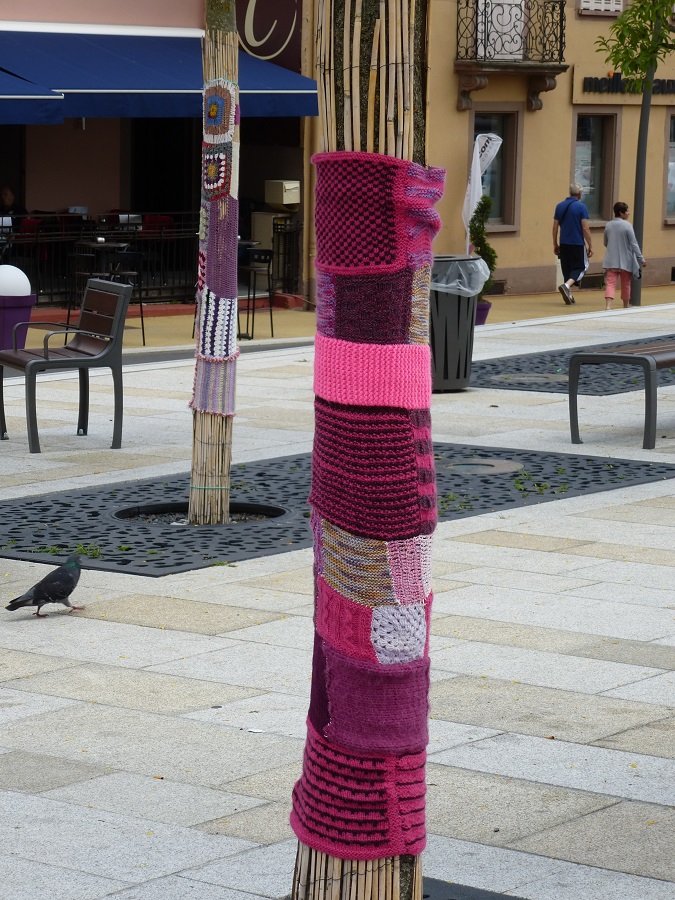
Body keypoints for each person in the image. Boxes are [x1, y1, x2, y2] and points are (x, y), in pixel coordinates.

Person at [552, 183, 593, 305]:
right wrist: (590, 245)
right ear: (579, 194)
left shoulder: (560, 206)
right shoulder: (581, 207)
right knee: (581, 267)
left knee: (567, 269)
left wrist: (555, 243)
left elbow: (555, 227)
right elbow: (585, 228)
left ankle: (568, 294)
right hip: (577, 243)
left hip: (564, 243)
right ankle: (566, 286)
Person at [602, 201, 646, 310]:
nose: (628, 213)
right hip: (626, 261)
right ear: (621, 213)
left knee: (610, 283)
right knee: (626, 284)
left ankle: (608, 306)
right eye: (627, 211)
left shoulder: (608, 225)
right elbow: (634, 243)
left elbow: (605, 242)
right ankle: (625, 305)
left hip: (611, 260)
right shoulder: (627, 226)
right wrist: (641, 259)